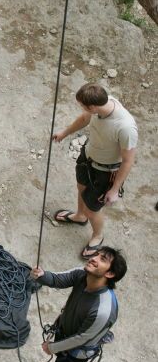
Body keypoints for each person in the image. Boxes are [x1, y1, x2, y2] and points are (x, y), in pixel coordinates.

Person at [30, 246, 126, 362]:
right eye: (97, 254)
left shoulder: (104, 309)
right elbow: (59, 279)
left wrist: (52, 347)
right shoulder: (83, 274)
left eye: (103, 259)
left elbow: (82, 339)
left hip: (78, 350)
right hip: (65, 333)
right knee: (60, 361)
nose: (94, 258)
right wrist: (42, 276)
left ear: (110, 274)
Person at [52, 83, 138, 258]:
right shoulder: (101, 107)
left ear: (92, 106)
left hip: (105, 172)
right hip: (87, 157)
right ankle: (79, 216)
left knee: (93, 208)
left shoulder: (126, 127)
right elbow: (84, 119)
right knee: (81, 188)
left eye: (83, 106)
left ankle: (97, 236)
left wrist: (114, 190)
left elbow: (128, 161)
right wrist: (65, 132)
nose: (82, 109)